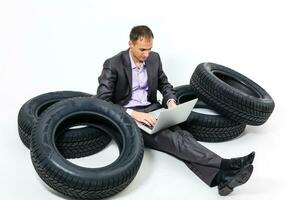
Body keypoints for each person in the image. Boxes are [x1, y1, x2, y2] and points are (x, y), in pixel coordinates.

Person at [96, 25, 255, 196]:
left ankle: (220, 179)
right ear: (130, 44)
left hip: (154, 110)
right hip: (130, 118)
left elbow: (165, 85)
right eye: (142, 50)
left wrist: (171, 101)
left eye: (150, 49)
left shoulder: (154, 59)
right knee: (173, 140)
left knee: (184, 137)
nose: (146, 54)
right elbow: (102, 100)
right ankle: (226, 164)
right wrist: (134, 114)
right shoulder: (113, 64)